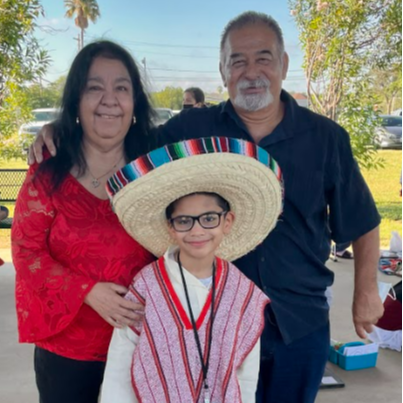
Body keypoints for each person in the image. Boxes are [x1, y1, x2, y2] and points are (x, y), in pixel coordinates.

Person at [30, 11, 384, 403]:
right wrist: (62, 132)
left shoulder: (326, 138)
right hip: (210, 327)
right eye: (237, 61)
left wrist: (366, 291)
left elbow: (362, 218)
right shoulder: (190, 129)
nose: (251, 71)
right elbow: (119, 134)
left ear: (283, 64)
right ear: (222, 71)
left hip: (298, 326)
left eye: (263, 58)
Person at [12, 41, 155, 403]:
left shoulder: (157, 169)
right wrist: (87, 291)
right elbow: (26, 252)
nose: (110, 100)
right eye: (95, 88)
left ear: (135, 102)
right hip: (66, 351)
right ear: (76, 101)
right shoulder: (48, 173)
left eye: (121, 88)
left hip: (145, 344)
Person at [100, 137, 284, 403]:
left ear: (228, 221)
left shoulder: (242, 294)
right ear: (171, 227)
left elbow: (245, 373)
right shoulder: (147, 286)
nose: (197, 231)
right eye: (184, 221)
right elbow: (120, 362)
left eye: (209, 219)